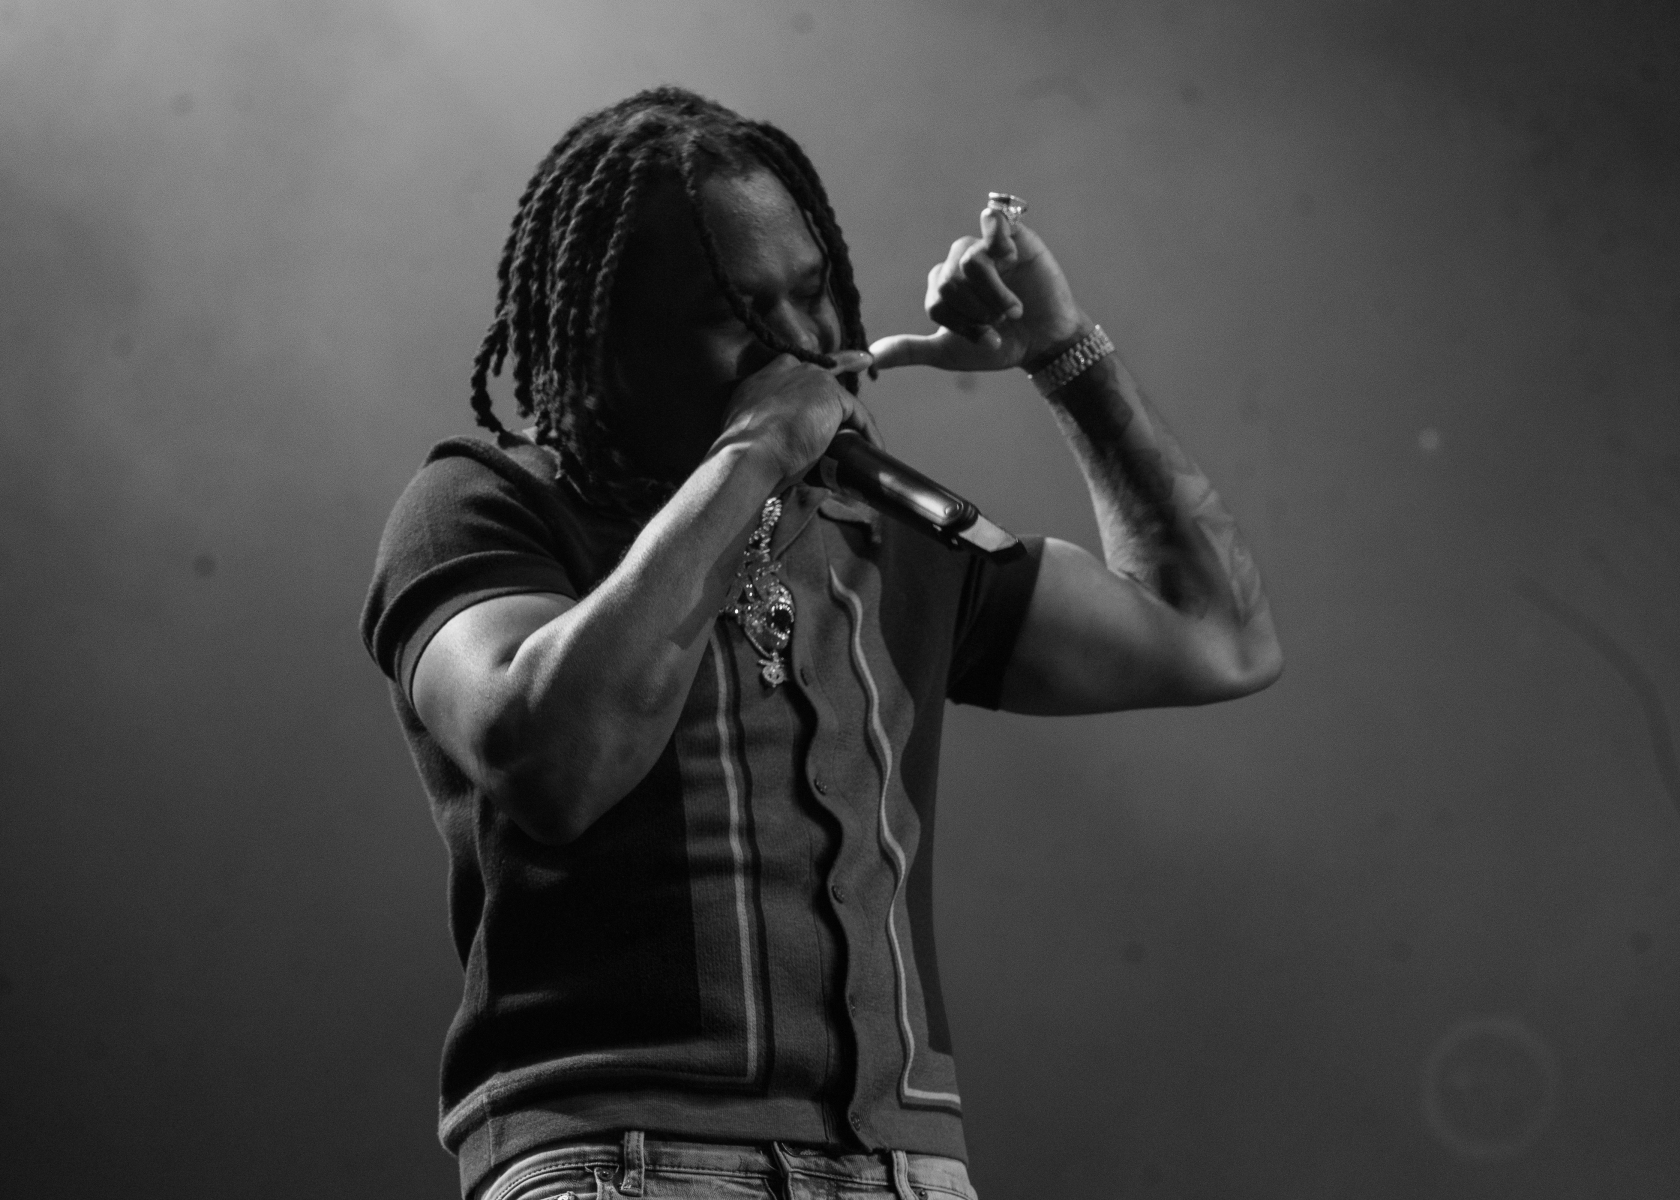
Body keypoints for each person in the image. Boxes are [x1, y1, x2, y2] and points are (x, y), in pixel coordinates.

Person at [361, 87, 1281, 1200]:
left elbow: (1215, 636)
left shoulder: (894, 535)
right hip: (624, 1158)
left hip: (906, 1171)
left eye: (812, 295)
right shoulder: (482, 504)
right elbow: (556, 762)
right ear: (616, 336)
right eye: (740, 314)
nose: (801, 344)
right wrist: (752, 453)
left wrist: (1063, 352)